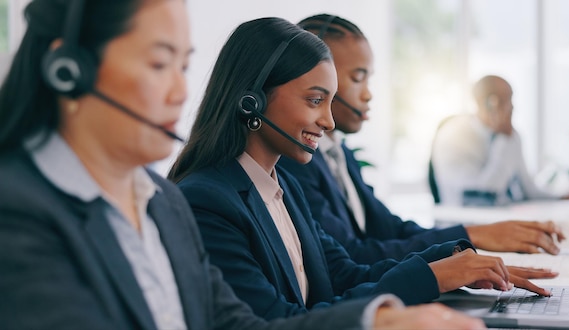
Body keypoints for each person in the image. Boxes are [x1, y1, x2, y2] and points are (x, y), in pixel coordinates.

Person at [0, 1, 486, 329]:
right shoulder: (18, 215)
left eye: (183, 66)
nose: (179, 92)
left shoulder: (160, 203)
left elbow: (242, 325)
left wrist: (381, 316)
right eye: (158, 64)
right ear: (69, 70)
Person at [168, 16, 551, 322]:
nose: (328, 121)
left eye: (330, 101)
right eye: (315, 100)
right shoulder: (208, 200)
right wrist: (432, 277)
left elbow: (342, 274)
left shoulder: (281, 187)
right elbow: (274, 320)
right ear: (251, 100)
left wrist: (454, 260)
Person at [277, 15, 568, 268]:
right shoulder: (295, 161)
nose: (368, 95)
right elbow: (349, 257)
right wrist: (469, 239)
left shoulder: (339, 154)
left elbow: (390, 229)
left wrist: (466, 239)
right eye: (357, 78)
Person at [431, 74, 569, 206]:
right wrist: (503, 140)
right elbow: (487, 193)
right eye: (506, 100)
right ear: (489, 102)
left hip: (501, 220)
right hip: (463, 226)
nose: (512, 107)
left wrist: (561, 197)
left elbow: (528, 189)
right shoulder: (454, 135)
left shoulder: (512, 136)